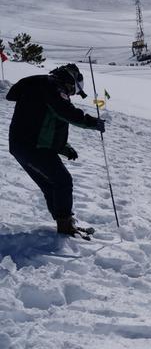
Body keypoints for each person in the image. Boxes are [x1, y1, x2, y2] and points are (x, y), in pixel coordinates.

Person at [5, 63, 106, 236]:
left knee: (52, 185)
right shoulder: (51, 87)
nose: (71, 95)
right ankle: (65, 226)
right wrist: (92, 122)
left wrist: (63, 147)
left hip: (23, 145)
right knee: (62, 181)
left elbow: (45, 123)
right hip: (31, 147)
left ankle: (64, 223)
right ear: (70, 81)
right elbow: (66, 112)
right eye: (73, 90)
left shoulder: (42, 86)